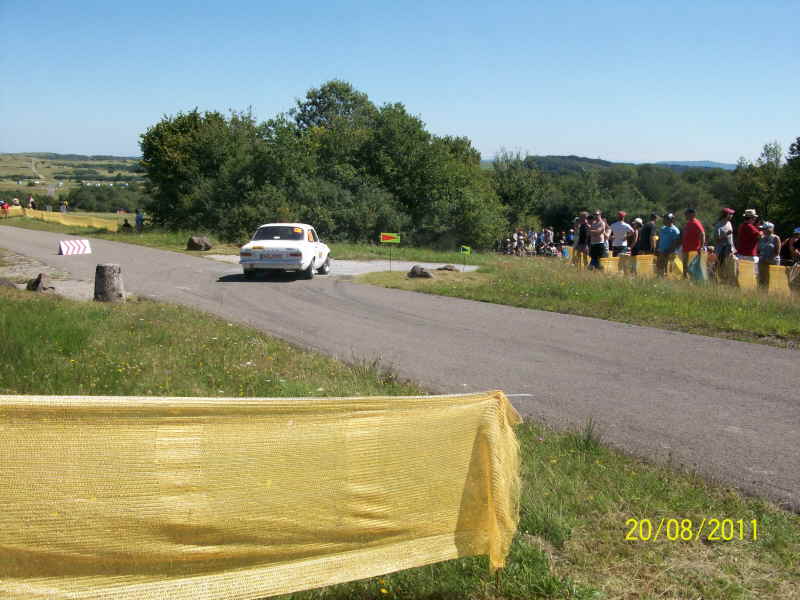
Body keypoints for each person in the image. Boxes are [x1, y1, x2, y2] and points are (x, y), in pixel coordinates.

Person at [712, 208, 737, 283]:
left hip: (730, 249)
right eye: (731, 214)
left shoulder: (729, 223)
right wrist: (726, 234)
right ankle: (717, 281)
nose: (732, 216)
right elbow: (716, 239)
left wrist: (733, 248)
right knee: (720, 266)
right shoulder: (718, 225)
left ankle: (727, 282)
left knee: (729, 267)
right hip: (721, 250)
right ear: (726, 215)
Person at [681, 208, 706, 279]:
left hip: (693, 249)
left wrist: (701, 246)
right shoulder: (688, 222)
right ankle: (685, 278)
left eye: (686, 214)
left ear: (692, 214)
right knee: (685, 266)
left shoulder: (696, 222)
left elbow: (702, 234)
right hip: (686, 248)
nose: (685, 216)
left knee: (691, 267)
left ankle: (694, 280)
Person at [757, 222, 781, 289]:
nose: (762, 230)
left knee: (773, 279)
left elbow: (777, 252)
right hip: (762, 260)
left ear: (770, 229)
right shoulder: (761, 238)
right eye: (762, 229)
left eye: (764, 229)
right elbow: (758, 249)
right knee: (762, 278)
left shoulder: (776, 238)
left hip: (773, 261)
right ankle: (762, 293)